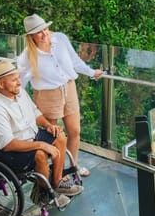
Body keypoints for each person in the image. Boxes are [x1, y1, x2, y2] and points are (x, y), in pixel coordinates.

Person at [0, 60, 83, 205]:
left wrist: (48, 125)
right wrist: (41, 145)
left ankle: (57, 181)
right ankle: (44, 195)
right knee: (40, 154)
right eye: (14, 80)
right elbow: (7, 144)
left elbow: (35, 112)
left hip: (29, 137)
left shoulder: (19, 92)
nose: (19, 82)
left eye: (18, 78)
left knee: (60, 136)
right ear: (1, 84)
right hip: (4, 152)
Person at [17, 14, 103, 177]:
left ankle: (72, 168)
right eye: (38, 32)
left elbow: (75, 60)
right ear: (30, 36)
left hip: (69, 89)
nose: (44, 34)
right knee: (54, 138)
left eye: (45, 29)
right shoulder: (28, 56)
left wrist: (91, 72)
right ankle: (55, 173)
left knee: (75, 131)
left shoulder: (60, 39)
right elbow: (20, 82)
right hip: (47, 96)